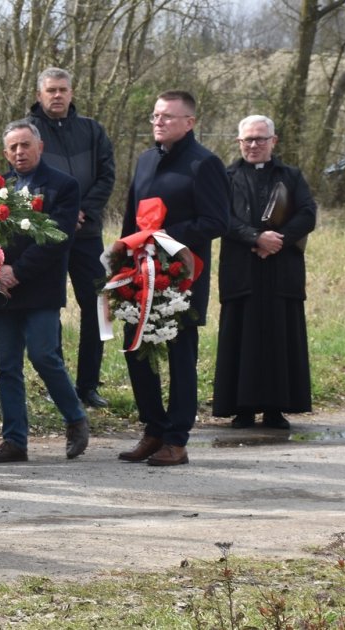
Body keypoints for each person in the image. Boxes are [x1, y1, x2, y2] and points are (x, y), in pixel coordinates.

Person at [117, 90, 228, 467]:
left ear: (189, 122)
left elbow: (217, 221)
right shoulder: (146, 160)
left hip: (182, 278)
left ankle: (177, 439)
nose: (158, 122)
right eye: (155, 115)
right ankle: (154, 429)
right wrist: (123, 259)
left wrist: (166, 237)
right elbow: (131, 218)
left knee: (180, 357)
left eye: (167, 116)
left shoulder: (204, 163)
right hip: (140, 274)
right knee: (136, 351)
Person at [0, 120, 89, 464]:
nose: (19, 152)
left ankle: (75, 418)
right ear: (5, 153)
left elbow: (58, 238)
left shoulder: (63, 186)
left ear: (40, 147)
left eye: (25, 145)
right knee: (7, 366)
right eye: (13, 147)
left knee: (44, 356)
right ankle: (14, 441)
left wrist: (18, 271)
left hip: (40, 287)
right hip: (1, 288)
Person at [213, 115, 316, 430]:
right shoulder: (226, 177)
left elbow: (307, 214)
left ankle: (276, 409)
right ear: (239, 142)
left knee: (279, 338)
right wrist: (255, 238)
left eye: (260, 138)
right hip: (241, 271)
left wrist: (277, 241)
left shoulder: (291, 176)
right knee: (241, 338)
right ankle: (241, 409)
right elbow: (220, 217)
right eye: (248, 139)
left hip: (281, 271)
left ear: (274, 141)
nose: (254, 145)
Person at [27, 67, 116, 409]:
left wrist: (82, 210)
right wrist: (61, 214)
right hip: (46, 234)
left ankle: (88, 385)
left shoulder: (92, 130)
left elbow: (107, 175)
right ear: (39, 95)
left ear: (71, 92)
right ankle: (57, 385)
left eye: (62, 89)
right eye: (51, 90)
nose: (57, 95)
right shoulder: (28, 131)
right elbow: (25, 179)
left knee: (97, 306)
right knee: (49, 308)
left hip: (87, 233)